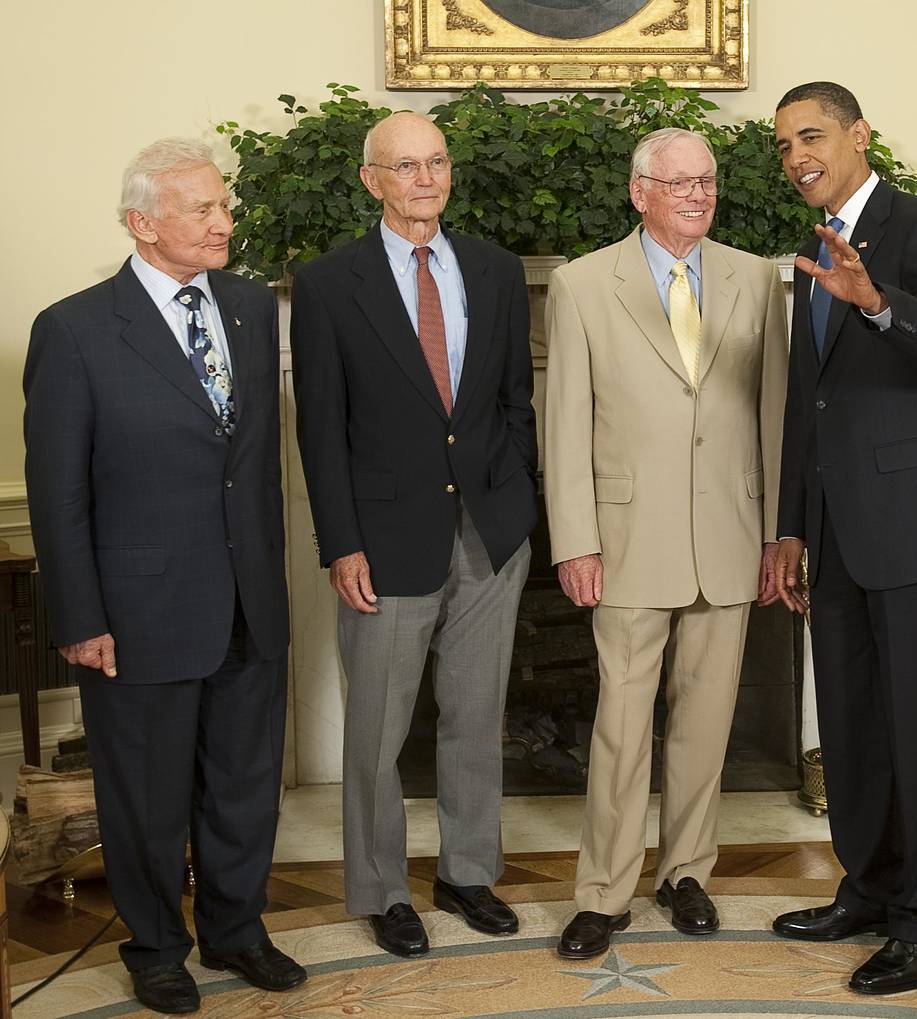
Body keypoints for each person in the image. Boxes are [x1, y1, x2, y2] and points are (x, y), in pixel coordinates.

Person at [23, 139, 305, 1015]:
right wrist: (78, 614)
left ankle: (236, 929)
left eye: (224, 207)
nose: (225, 222)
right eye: (203, 210)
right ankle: (155, 948)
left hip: (249, 602)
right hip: (136, 612)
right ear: (144, 223)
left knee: (244, 784)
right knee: (144, 796)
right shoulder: (73, 329)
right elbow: (57, 490)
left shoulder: (254, 309)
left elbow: (251, 468)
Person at [290, 111, 538, 958]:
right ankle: (381, 887)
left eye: (436, 162)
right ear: (373, 181)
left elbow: (513, 400)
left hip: (489, 533)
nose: (425, 179)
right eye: (405, 166)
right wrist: (339, 542)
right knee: (378, 730)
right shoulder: (328, 284)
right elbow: (319, 431)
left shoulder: (497, 271)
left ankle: (468, 872)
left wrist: (521, 501)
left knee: (476, 714)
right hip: (384, 541)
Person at [544, 127, 788, 959]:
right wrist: (573, 540)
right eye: (678, 182)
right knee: (619, 724)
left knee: (705, 722)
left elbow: (775, 418)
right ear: (638, 191)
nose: (696, 194)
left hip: (730, 534)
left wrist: (774, 535)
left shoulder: (755, 277)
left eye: (706, 181)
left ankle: (686, 872)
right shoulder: (580, 285)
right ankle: (603, 891)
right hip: (622, 541)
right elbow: (564, 424)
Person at [770, 82, 917, 995]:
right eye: (782, 146)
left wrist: (875, 300)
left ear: (859, 135)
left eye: (809, 136)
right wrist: (787, 526)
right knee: (853, 727)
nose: (795, 157)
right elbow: (803, 407)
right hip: (835, 533)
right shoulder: (808, 256)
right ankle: (866, 889)